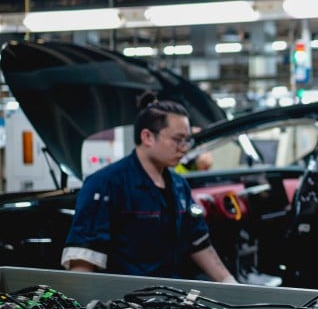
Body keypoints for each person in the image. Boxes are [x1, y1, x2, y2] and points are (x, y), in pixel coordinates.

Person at [61, 93, 237, 283]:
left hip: (170, 299)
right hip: (124, 304)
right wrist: (82, 305)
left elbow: (199, 243)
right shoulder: (105, 185)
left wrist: (231, 285)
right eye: (178, 139)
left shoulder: (179, 186)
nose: (184, 149)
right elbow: (84, 258)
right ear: (147, 137)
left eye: (187, 140)